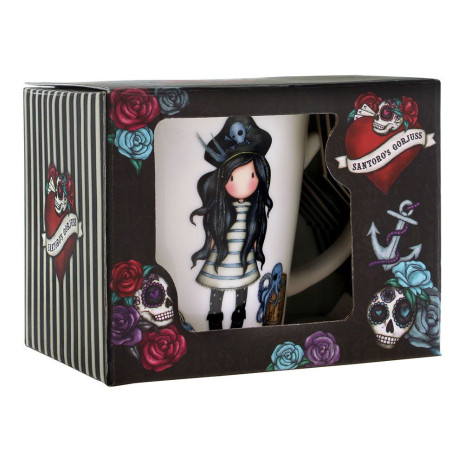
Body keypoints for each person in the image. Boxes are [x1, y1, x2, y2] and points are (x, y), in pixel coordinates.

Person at [191, 117, 273, 330]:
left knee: (242, 283)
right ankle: (214, 317)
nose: (244, 184)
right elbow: (214, 229)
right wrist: (211, 243)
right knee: (217, 284)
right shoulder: (221, 209)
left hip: (244, 253)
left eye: (251, 175)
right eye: (233, 178)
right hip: (222, 252)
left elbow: (254, 230)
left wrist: (254, 245)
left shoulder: (254, 210)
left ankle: (239, 316)